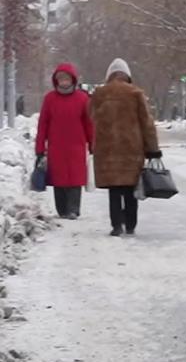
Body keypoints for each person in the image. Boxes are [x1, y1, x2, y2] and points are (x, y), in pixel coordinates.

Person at [89, 59, 160, 237]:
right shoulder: (136, 93)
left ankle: (116, 226)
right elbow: (147, 123)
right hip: (132, 149)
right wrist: (152, 148)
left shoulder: (99, 94)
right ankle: (130, 224)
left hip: (107, 150)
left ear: (109, 75)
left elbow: (90, 119)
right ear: (127, 75)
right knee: (130, 189)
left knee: (114, 190)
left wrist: (93, 143)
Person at [35, 63, 94, 220]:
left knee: (75, 178)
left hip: (76, 144)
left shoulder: (82, 98)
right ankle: (62, 210)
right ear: (56, 81)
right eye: (61, 79)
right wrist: (40, 148)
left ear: (73, 80)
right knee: (58, 178)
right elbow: (43, 124)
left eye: (66, 79)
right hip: (56, 145)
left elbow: (89, 123)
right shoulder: (50, 99)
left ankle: (74, 209)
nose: (64, 82)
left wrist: (93, 143)